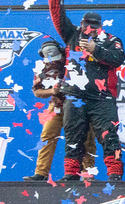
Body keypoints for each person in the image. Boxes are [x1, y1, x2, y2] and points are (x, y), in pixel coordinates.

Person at [47, 0, 125, 182]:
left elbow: (118, 59)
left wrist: (96, 50)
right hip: (74, 96)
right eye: (85, 24)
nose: (88, 29)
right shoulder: (72, 34)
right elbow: (59, 18)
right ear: (81, 24)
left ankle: (114, 174)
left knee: (109, 135)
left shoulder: (111, 40)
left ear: (100, 26)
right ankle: (70, 173)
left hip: (102, 98)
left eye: (93, 25)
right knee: (73, 136)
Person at [24, 39, 97, 182]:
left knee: (87, 138)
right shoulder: (42, 67)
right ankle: (41, 173)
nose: (54, 62)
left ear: (63, 52)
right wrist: (52, 90)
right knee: (47, 136)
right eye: (51, 60)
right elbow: (37, 91)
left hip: (79, 104)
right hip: (56, 105)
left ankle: (87, 175)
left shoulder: (74, 60)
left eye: (57, 58)